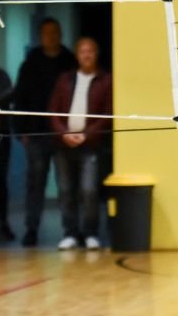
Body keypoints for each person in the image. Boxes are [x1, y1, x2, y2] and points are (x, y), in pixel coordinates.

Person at [13, 16, 76, 247]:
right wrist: (21, 131)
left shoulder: (70, 61)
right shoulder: (31, 63)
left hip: (63, 134)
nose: (51, 36)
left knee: (66, 186)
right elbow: (20, 97)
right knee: (35, 185)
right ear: (41, 36)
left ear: (60, 34)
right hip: (36, 133)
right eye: (47, 33)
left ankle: (70, 231)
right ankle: (31, 229)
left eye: (55, 32)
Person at [47, 36, 112, 250]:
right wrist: (63, 134)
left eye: (90, 51)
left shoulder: (105, 80)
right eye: (83, 51)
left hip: (90, 145)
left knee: (89, 190)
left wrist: (86, 135)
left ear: (96, 54)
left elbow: (107, 115)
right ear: (77, 55)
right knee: (66, 190)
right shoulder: (64, 80)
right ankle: (70, 233)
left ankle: (91, 233)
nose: (87, 55)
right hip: (63, 145)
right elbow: (53, 112)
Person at [0, 48, 13, 242]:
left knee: (0, 182)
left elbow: (5, 95)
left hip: (0, 139)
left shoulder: (2, 76)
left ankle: (3, 224)